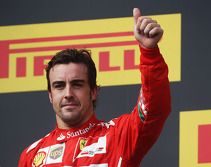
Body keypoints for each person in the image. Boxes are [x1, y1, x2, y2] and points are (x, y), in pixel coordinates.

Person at [18, 8, 171, 167]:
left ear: (93, 91)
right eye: (59, 86)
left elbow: (154, 109)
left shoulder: (118, 136)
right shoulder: (31, 157)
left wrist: (149, 53)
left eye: (77, 84)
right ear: (50, 95)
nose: (68, 93)